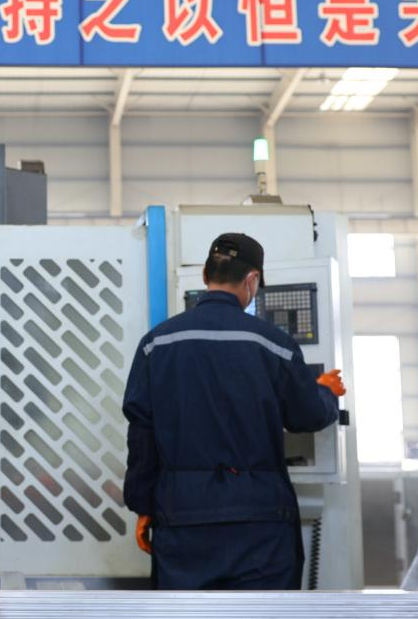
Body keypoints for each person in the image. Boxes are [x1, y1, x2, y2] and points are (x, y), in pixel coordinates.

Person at [121, 232, 345, 590]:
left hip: (182, 520)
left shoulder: (156, 343)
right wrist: (326, 394)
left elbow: (142, 435)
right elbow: (306, 415)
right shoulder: (274, 344)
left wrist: (143, 505)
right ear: (252, 279)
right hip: (260, 523)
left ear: (205, 275)